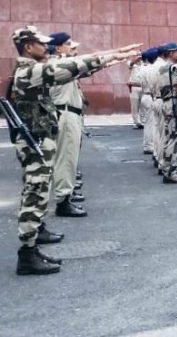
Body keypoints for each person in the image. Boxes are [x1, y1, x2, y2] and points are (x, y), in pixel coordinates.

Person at [9, 26, 137, 275]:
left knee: (38, 190)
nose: (45, 47)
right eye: (40, 43)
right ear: (27, 46)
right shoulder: (30, 70)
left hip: (39, 139)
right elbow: (73, 67)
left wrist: (114, 54)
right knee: (35, 193)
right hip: (35, 142)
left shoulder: (32, 68)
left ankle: (33, 243)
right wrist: (114, 55)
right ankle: (27, 254)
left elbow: (77, 64)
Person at [46, 33, 88, 217]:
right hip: (65, 113)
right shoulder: (59, 64)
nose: (73, 49)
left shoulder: (60, 64)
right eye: (69, 45)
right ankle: (63, 200)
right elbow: (90, 64)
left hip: (69, 113)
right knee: (66, 158)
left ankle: (66, 194)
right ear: (58, 47)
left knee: (67, 158)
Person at [155, 42, 177, 184]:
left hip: (168, 103)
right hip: (174, 104)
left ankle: (165, 166)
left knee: (170, 137)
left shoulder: (164, 68)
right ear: (170, 53)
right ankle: (171, 171)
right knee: (176, 138)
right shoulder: (171, 68)